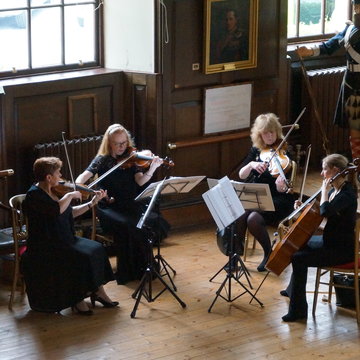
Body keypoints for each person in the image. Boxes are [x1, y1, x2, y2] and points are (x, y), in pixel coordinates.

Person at [21, 157, 118, 315]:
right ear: (49, 177)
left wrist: (91, 202)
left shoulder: (54, 191)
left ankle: (98, 291)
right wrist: (69, 196)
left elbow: (69, 212)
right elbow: (56, 210)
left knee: (97, 249)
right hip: (46, 244)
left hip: (65, 238)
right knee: (78, 256)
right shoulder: (34, 197)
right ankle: (77, 299)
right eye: (58, 173)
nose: (61, 177)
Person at [76, 124, 170, 285]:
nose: (121, 147)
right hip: (109, 206)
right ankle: (127, 271)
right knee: (128, 225)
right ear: (109, 143)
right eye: (117, 143)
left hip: (131, 203)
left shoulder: (132, 158)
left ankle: (143, 267)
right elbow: (80, 179)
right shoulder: (102, 160)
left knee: (145, 222)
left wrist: (152, 168)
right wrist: (87, 191)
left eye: (124, 143)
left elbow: (140, 181)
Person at [281, 153, 357, 322]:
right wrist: (304, 208)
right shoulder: (335, 191)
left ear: (335, 170)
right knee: (299, 243)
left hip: (340, 250)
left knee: (298, 258)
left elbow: (325, 211)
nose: (322, 174)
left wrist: (323, 190)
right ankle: (293, 290)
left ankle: (299, 310)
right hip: (330, 242)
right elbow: (320, 215)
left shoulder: (347, 195)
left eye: (324, 169)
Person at [296, 0, 360, 160]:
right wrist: (309, 51)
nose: (356, 9)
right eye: (356, 6)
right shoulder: (350, 29)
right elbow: (329, 46)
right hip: (352, 85)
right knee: (355, 129)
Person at [236, 113, 295, 272]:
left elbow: (284, 189)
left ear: (277, 132)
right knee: (245, 215)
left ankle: (267, 254)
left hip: (278, 199)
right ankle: (236, 254)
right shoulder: (256, 151)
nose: (269, 136)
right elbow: (241, 175)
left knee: (250, 215)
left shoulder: (284, 152)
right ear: (259, 135)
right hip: (258, 196)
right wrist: (252, 165)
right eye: (265, 133)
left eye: (272, 132)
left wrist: (280, 185)